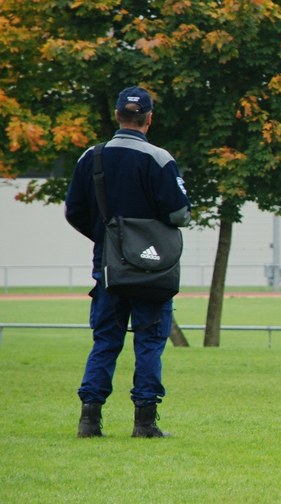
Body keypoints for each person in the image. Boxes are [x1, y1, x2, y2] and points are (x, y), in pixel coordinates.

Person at [65, 86, 191, 438]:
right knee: (149, 341)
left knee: (106, 340)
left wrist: (107, 240)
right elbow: (180, 214)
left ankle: (89, 419)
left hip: (108, 267)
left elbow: (74, 212)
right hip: (153, 270)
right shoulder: (160, 159)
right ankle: (145, 422)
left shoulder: (92, 158)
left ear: (118, 116)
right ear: (149, 118)